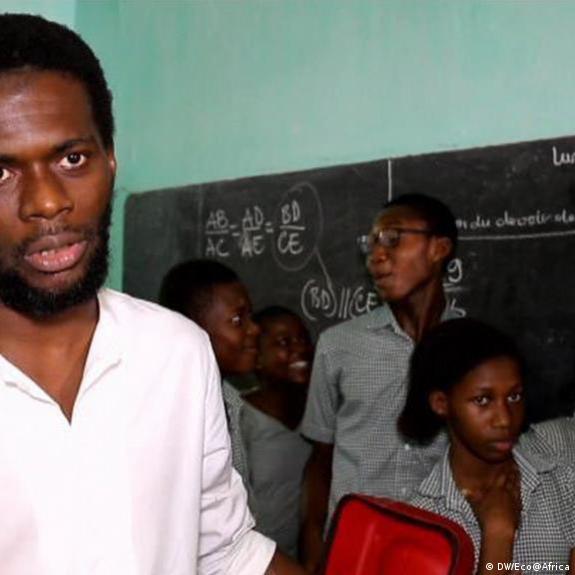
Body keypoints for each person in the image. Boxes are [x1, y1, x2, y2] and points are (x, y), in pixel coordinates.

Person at [0, 13, 304, 575]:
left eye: (72, 158)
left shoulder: (177, 352)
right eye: (1, 173)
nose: (46, 202)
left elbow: (225, 551)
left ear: (111, 160)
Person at [300, 192, 460, 571]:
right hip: (354, 549)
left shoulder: (472, 350)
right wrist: (314, 548)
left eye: (392, 238)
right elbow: (320, 460)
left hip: (439, 552)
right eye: (371, 243)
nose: (376, 255)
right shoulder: (338, 345)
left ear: (438, 249)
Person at [401, 318, 575, 574]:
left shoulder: (560, 477)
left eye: (514, 396)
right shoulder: (423, 524)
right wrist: (498, 535)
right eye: (483, 400)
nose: (505, 419)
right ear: (441, 403)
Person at [159, 258, 259, 493]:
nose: (255, 329)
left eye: (251, 317)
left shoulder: (231, 401)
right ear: (193, 329)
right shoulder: (170, 410)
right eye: (237, 320)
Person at [241, 306, 314, 558]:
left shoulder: (320, 419)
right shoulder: (240, 419)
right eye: (284, 342)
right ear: (258, 358)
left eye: (303, 339)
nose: (300, 348)